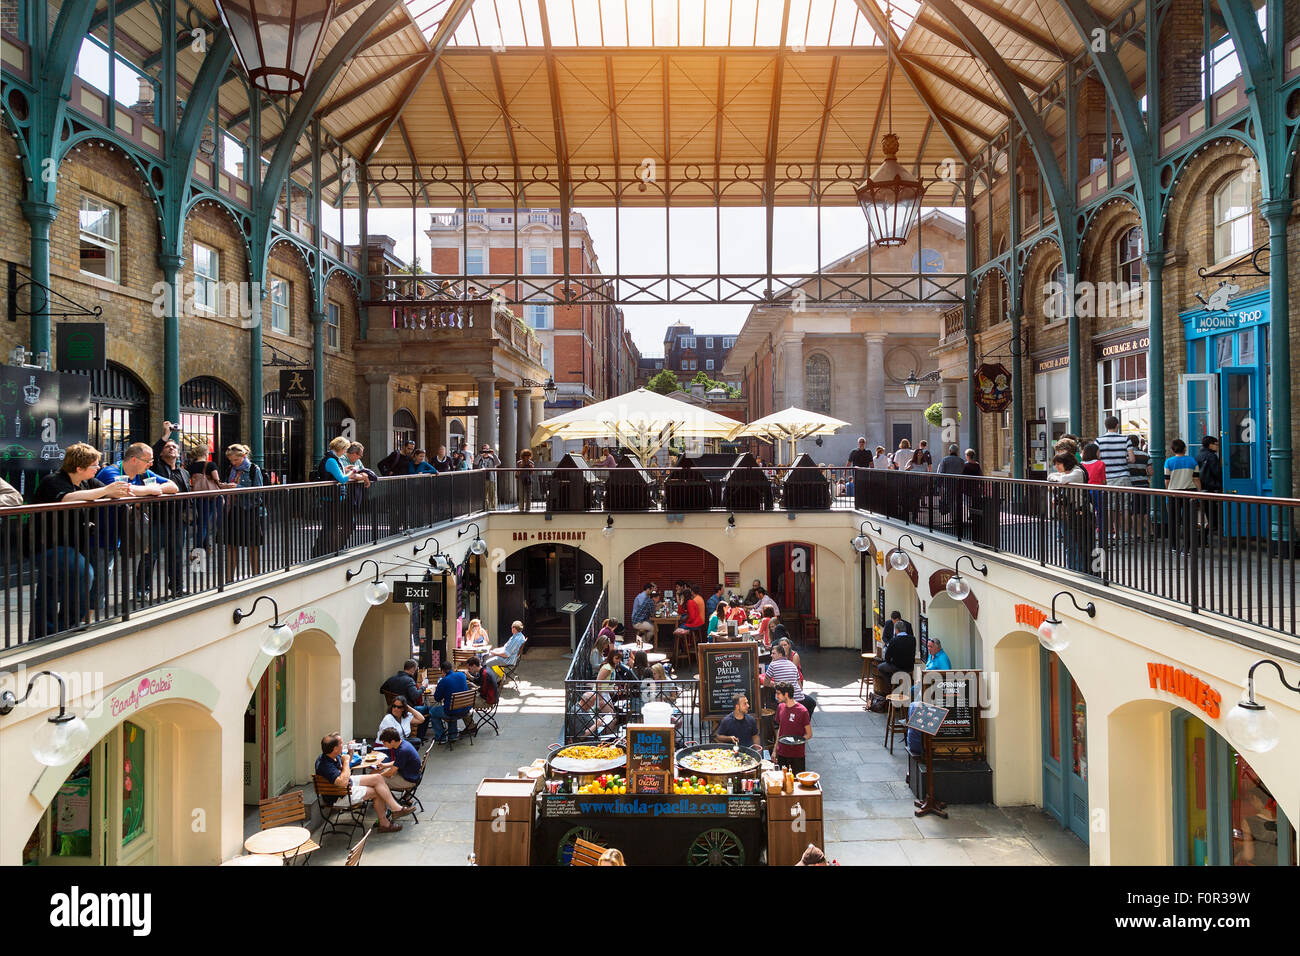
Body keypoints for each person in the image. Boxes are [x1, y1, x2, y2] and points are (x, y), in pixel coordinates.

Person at [28, 443, 131, 638]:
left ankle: (44, 632)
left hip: (72, 543)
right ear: (79, 468)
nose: (98, 468)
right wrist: (106, 490)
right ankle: (69, 623)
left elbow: (112, 491)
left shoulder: (88, 483)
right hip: (46, 544)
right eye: (94, 465)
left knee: (49, 587)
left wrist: (153, 490)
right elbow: (68, 498)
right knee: (83, 573)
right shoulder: (53, 481)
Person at [93, 442, 180, 607]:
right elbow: (121, 490)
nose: (151, 464)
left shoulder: (145, 473)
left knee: (104, 572)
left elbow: (173, 486)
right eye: (148, 460)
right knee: (96, 574)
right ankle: (86, 615)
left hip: (118, 533)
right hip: (98, 532)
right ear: (134, 460)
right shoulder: (111, 471)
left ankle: (91, 612)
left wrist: (153, 488)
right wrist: (149, 490)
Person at [314, 733, 413, 833]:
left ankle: (395, 808)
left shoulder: (332, 755)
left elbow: (346, 767)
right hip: (339, 796)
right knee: (377, 792)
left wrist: (350, 752)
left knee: (377, 778)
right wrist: (346, 761)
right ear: (335, 749)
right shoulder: (325, 765)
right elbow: (342, 782)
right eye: (341, 743)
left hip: (346, 786)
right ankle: (384, 824)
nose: (343, 745)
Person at [148, 427, 192, 597]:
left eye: (174, 447)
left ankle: (177, 588)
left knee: (176, 556)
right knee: (150, 556)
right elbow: (152, 451)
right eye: (168, 446)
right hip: (159, 519)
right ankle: (142, 589)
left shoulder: (184, 472)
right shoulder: (157, 468)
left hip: (178, 520)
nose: (171, 448)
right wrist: (166, 435)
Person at [221, 443, 264, 580]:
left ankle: (256, 576)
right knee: (231, 545)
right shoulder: (231, 469)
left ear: (243, 456)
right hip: (233, 510)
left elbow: (258, 492)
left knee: (253, 546)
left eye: (236, 460)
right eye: (231, 460)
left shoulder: (253, 469)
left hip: (250, 511)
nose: (233, 463)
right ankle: (229, 579)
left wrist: (237, 487)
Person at [1047, 451, 1092, 572]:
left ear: (1066, 463)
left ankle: (1079, 569)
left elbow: (1061, 480)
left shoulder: (1077, 472)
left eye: (1058, 464)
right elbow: (1050, 476)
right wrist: (1058, 477)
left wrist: (1058, 478)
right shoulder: (1066, 472)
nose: (1056, 467)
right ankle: (1071, 568)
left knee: (1077, 544)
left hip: (1078, 513)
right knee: (1069, 544)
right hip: (1066, 513)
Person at [380, 660, 432, 742]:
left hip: (394, 708)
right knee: (428, 709)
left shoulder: (391, 679)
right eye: (415, 670)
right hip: (407, 709)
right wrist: (423, 687)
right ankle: (420, 736)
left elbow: (381, 690)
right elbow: (415, 695)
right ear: (412, 669)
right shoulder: (409, 681)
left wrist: (393, 696)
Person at [1163, 439, 1200, 553]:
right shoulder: (1192, 461)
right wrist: (1199, 492)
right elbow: (1196, 479)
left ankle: (1174, 546)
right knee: (1189, 521)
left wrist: (1168, 490)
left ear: (1172, 450)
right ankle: (1187, 548)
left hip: (1173, 492)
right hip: (1190, 492)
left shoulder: (1169, 462)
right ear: (1185, 448)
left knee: (1174, 520)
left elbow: (1167, 480)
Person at [429, 658, 472, 743]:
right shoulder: (462, 675)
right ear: (452, 668)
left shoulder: (444, 681)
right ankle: (452, 735)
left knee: (432, 711)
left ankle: (440, 736)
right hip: (465, 709)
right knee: (452, 706)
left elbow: (437, 698)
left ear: (442, 671)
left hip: (453, 711)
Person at [772, 681, 811, 773]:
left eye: (778, 693)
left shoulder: (802, 711)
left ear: (786, 694)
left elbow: (809, 734)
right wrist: (775, 750)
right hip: (782, 753)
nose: (776, 696)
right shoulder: (780, 707)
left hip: (797, 755)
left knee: (797, 781)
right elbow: (780, 729)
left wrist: (796, 742)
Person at [376, 727, 422, 793]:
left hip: (408, 780)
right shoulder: (402, 743)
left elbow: (391, 773)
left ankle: (381, 801)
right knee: (379, 772)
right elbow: (398, 762)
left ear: (392, 741)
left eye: (384, 743)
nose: (384, 745)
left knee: (377, 781)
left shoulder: (403, 751)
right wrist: (384, 765)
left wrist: (377, 776)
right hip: (410, 774)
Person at [876, 619, 915, 694]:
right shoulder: (913, 639)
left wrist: (891, 661)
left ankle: (893, 683)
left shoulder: (893, 640)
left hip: (897, 667)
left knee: (880, 667)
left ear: (896, 630)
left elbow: (887, 657)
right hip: (910, 667)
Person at [1196, 435, 1223, 539]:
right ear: (1210, 445)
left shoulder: (1199, 455)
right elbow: (1217, 472)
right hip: (1210, 487)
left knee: (1203, 515)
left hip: (1200, 488)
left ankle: (1202, 538)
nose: (1217, 447)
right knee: (1211, 515)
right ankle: (1204, 538)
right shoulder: (1212, 456)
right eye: (1216, 444)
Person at [478, 443, 500, 510]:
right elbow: (475, 462)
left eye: (487, 449)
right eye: (484, 449)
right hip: (483, 479)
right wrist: (480, 455)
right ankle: (486, 508)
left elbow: (498, 463)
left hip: (491, 478)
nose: (485, 451)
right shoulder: (480, 457)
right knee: (484, 495)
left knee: (492, 494)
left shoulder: (492, 458)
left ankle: (493, 508)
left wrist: (493, 454)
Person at [517, 448, 534, 512]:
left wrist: (532, 468)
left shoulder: (531, 463)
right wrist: (520, 467)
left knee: (529, 494)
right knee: (521, 494)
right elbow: (517, 473)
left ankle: (528, 508)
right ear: (523, 456)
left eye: (528, 455)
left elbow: (532, 473)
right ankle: (521, 508)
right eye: (525, 455)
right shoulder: (519, 463)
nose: (527, 457)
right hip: (521, 479)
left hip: (529, 479)